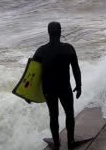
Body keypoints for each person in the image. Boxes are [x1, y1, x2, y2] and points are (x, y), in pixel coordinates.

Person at [33, 21, 82, 150]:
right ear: (60, 31)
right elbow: (76, 69)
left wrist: (28, 94)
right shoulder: (68, 48)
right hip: (64, 87)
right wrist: (79, 85)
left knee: (53, 115)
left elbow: (31, 74)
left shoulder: (40, 51)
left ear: (48, 32)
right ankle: (71, 141)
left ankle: (56, 143)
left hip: (49, 89)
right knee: (69, 113)